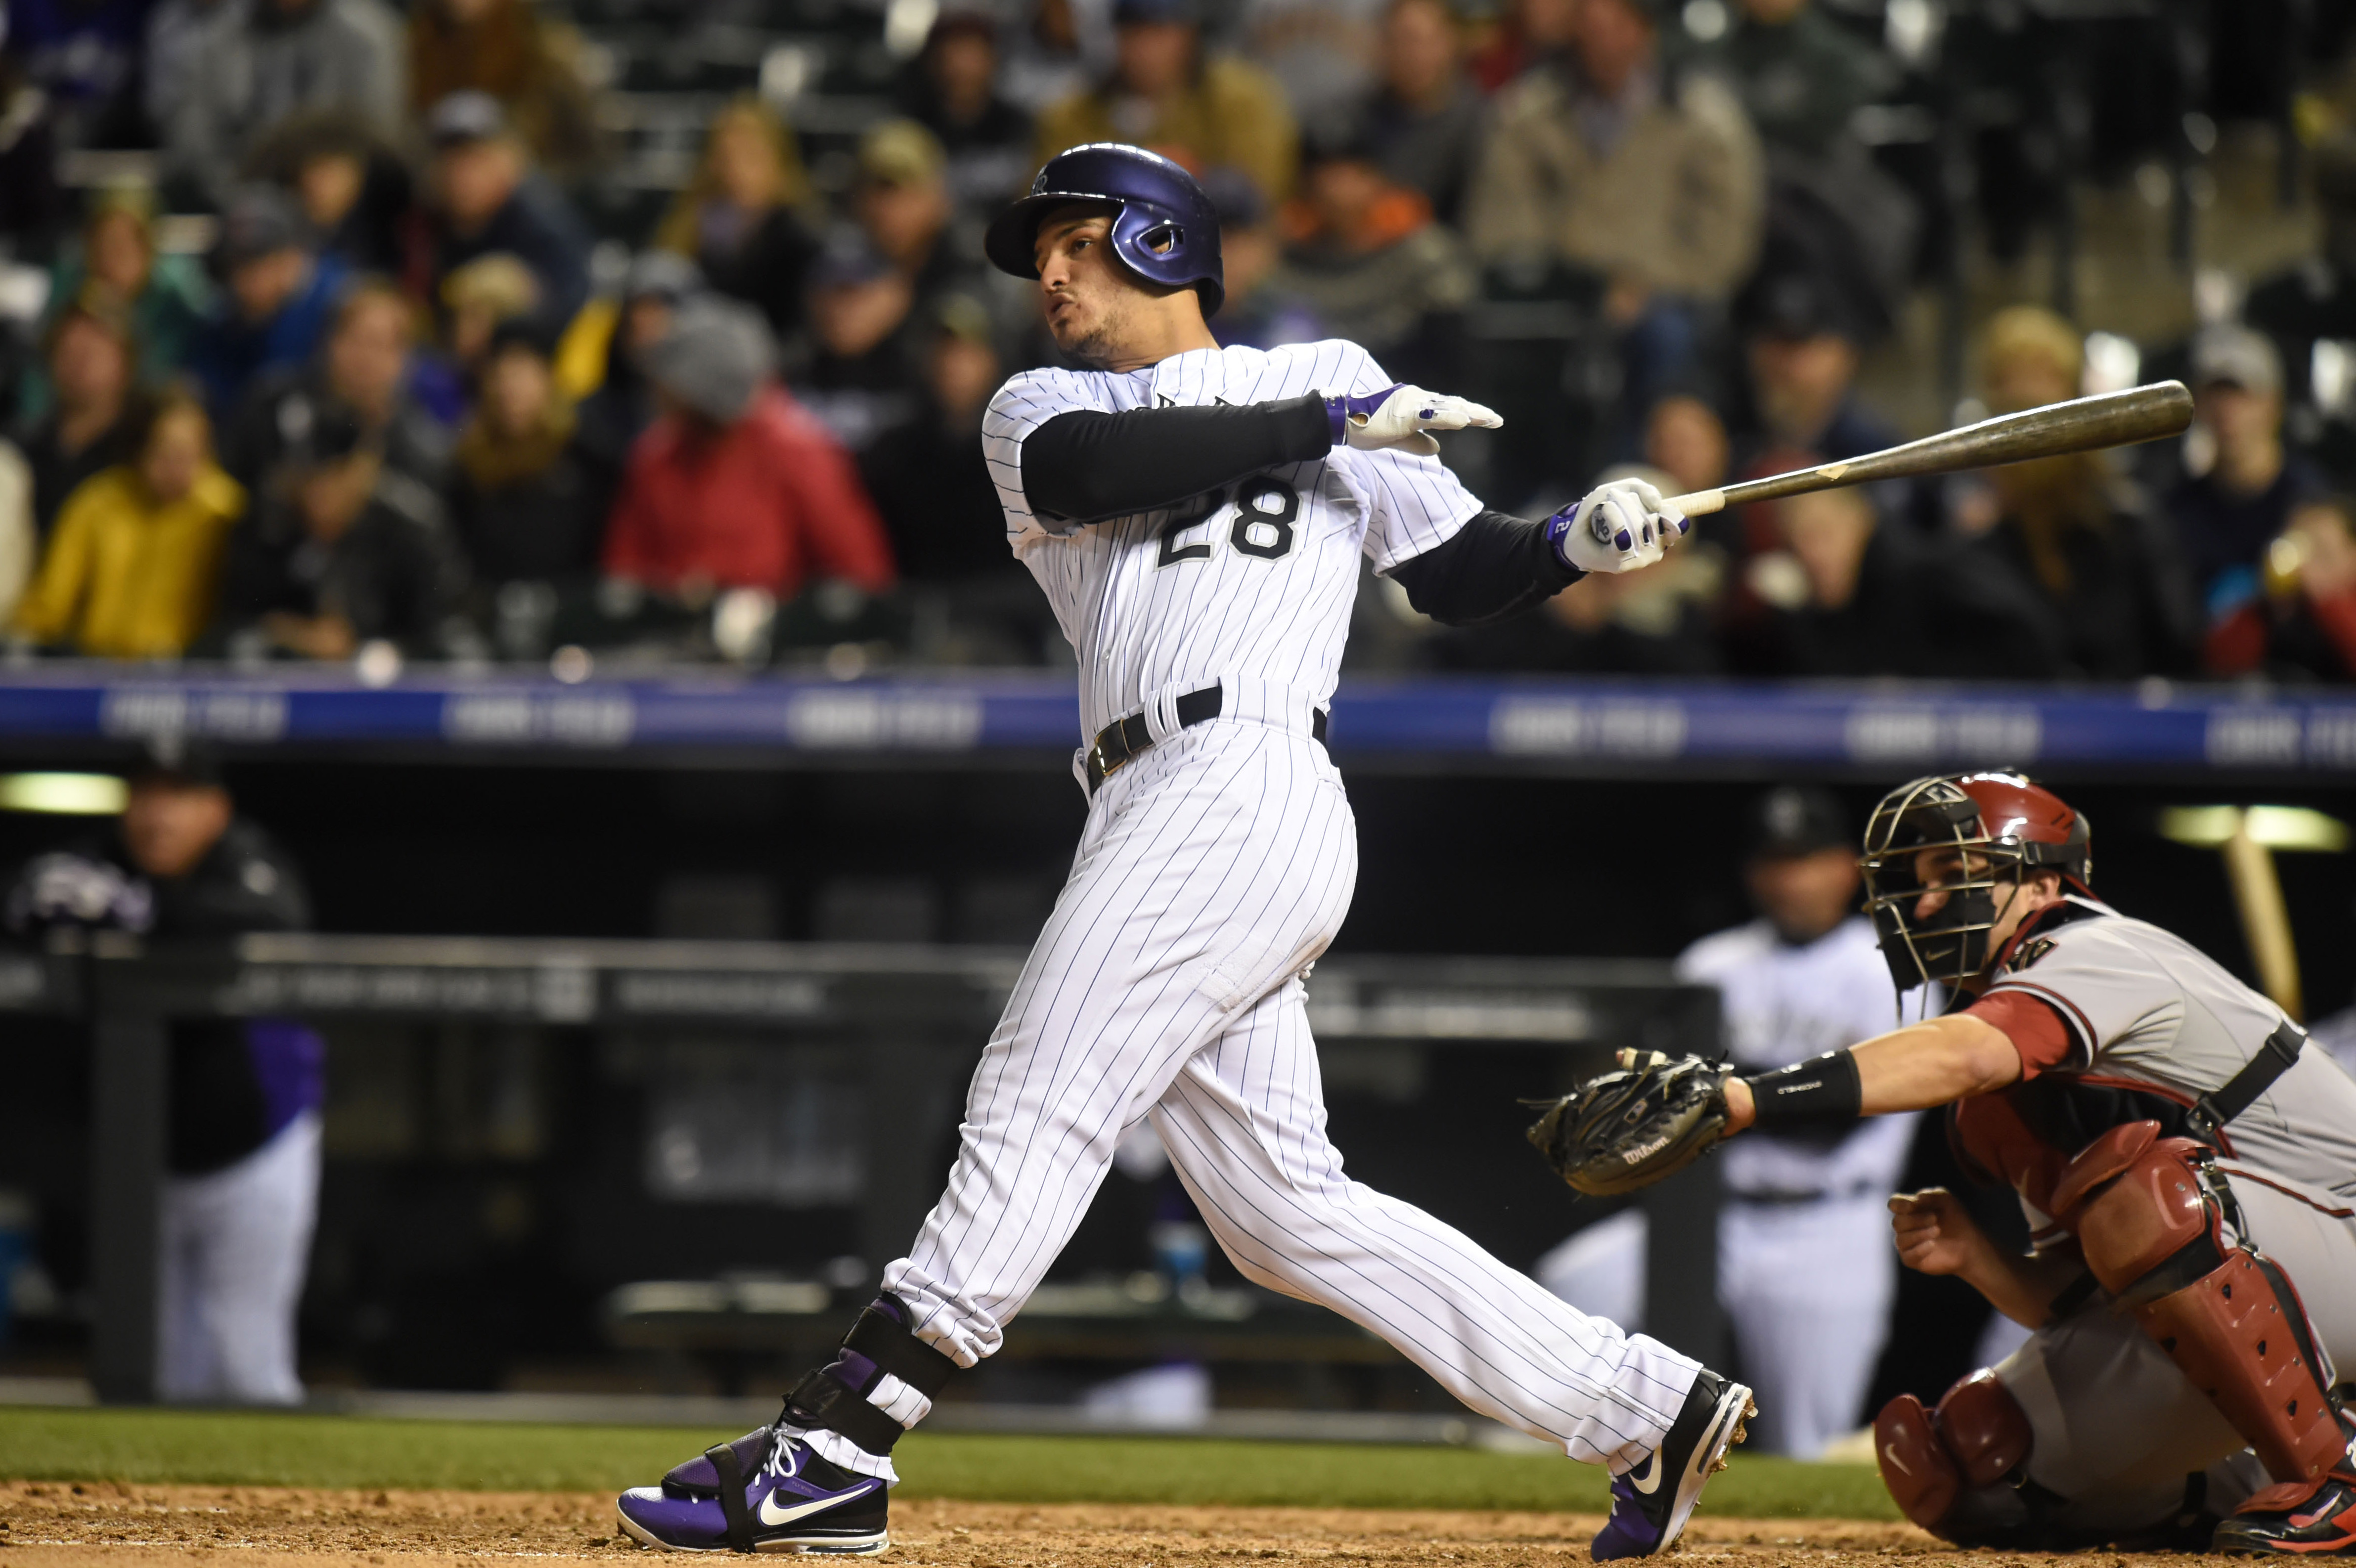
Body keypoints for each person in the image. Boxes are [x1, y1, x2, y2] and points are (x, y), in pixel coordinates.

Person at [611, 143, 1751, 1563]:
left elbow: (1461, 571)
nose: (1049, 272)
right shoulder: (1046, 406)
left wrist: (1575, 541)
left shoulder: (1335, 375)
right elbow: (1101, 466)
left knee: (1036, 1090)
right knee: (1282, 1216)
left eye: (1076, 243)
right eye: (1043, 252)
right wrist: (1334, 415)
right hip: (1154, 793)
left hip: (1243, 776)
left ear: (1159, 240)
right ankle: (1640, 1401)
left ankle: (840, 1437)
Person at [1675, 771, 2356, 1551]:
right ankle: (2235, 1494)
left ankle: (2340, 1473)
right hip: (2278, 1271)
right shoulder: (2004, 1093)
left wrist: (1751, 1098)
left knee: (2156, 1193)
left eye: (1954, 875)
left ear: (2037, 881)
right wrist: (1979, 1259)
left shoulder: (2098, 946)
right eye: (1918, 882)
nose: (1924, 902)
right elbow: (2082, 1303)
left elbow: (1965, 1053)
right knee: (1968, 1463)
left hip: (2341, 1227)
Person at [1538, 788, 1915, 1458]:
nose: (1787, 878)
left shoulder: (1886, 968)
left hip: (1825, 1225)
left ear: (1844, 869)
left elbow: (1846, 1114)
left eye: (1803, 859)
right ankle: (1548, 1445)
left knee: (1806, 1444)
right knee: (1573, 1283)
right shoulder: (1714, 963)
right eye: (1774, 860)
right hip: (1709, 1213)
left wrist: (1723, 1094)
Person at [4, 743, 321, 1404]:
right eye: (146, 796)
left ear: (214, 809)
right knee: (155, 1369)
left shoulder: (246, 859)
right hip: (139, 1156)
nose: (158, 816)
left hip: (256, 1145)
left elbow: (276, 917)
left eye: (176, 797)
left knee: (245, 1365)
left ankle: (282, 1509)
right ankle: (155, 1509)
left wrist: (145, 912)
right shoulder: (101, 859)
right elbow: (29, 893)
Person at [1464, 0, 1763, 311]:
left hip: (1668, 299)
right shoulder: (1527, 117)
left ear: (1646, 30)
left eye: (1617, 27)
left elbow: (1725, 246)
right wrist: (1559, 283)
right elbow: (1503, 225)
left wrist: (1649, 285)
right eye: (1591, 29)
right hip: (1555, 297)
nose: (1603, 43)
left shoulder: (1702, 123)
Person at [1950, 308, 2197, 680]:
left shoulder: (2126, 527)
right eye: (2011, 400)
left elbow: (2179, 648)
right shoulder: (1977, 541)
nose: (2026, 399)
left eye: (2042, 396)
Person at [600, 298, 896, 605]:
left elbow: (860, 574)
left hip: (778, 636)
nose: (660, 391)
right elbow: (624, 572)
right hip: (665, 634)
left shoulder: (798, 451)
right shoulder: (655, 456)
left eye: (674, 380)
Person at [859, 296, 1054, 662]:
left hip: (1010, 632)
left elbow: (1050, 575)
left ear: (995, 359)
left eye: (968, 354)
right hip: (908, 627)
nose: (952, 367)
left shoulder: (1032, 449)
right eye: (942, 353)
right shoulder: (894, 451)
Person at [212, 407, 472, 660]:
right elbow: (232, 623)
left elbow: (444, 633)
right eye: (309, 477)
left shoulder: (413, 528)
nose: (318, 492)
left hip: (393, 684)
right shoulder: (273, 526)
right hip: (293, 680)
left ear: (364, 466)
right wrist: (294, 635)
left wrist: (364, 650)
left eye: (334, 474)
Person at [11, 394, 245, 658]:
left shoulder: (226, 513)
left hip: (193, 671)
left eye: (188, 456)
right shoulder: (98, 502)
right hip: (95, 665)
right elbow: (49, 604)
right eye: (163, 454)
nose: (175, 469)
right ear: (137, 451)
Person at [1267, 127, 1476, 390]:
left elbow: (1455, 356)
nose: (1338, 190)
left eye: (1353, 174)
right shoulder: (1280, 257)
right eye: (1325, 176)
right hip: (1311, 410)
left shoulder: (1425, 253)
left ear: (1378, 179)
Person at [1032, 0, 1299, 204]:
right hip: (1107, 239)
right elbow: (1045, 194)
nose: (1145, 50)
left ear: (1189, 36)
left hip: (1217, 236)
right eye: (1133, 34)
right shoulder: (1075, 111)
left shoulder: (1240, 97)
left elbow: (1262, 189)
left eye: (1160, 33)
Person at [449, 313, 613, 630]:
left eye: (523, 374)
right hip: (486, 628)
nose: (510, 389)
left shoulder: (589, 460)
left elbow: (604, 562)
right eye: (501, 375)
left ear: (549, 378)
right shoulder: (466, 465)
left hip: (572, 626)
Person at [219, 279, 449, 494]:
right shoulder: (270, 402)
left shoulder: (423, 449)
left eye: (380, 345)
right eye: (355, 339)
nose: (364, 358)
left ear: (405, 360)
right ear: (330, 341)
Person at [169, 0, 404, 205]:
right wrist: (238, 197)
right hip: (240, 201)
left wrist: (333, 181)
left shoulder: (366, 33)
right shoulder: (218, 39)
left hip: (346, 207)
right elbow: (193, 140)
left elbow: (379, 135)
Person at [2166, 325, 2320, 620]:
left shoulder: (2312, 506)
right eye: (2215, 396)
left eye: (2241, 395)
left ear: (2273, 405)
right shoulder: (2178, 512)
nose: (2227, 412)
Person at [651, 98, 818, 344]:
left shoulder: (799, 239)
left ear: (779, 161)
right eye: (726, 157)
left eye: (750, 156)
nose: (736, 170)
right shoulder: (688, 226)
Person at [421, 91, 591, 333]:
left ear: (508, 160)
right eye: (451, 162)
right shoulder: (428, 221)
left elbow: (574, 305)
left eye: (476, 160)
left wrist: (528, 293)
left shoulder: (542, 219)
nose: (461, 176)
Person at [31, 189, 210, 409]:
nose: (111, 260)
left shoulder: (176, 304)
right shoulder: (70, 300)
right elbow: (37, 385)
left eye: (123, 249)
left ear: (148, 250)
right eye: (102, 247)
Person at [188, 187, 349, 417]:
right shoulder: (223, 321)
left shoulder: (338, 303)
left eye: (257, 264)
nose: (245, 280)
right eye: (236, 266)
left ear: (292, 258)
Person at [407, 0, 599, 177]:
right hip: (441, 192)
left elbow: (584, 157)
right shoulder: (416, 47)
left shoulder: (548, 53)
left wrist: (513, 164)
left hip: (532, 189)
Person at [19, 291, 149, 540]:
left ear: (126, 362)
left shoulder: (143, 450)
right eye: (69, 352)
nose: (79, 365)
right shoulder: (24, 448)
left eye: (93, 353)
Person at [791, 235, 922, 456]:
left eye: (854, 293)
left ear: (897, 296)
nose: (840, 308)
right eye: (827, 291)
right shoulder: (783, 381)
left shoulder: (926, 379)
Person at [242, 111, 414, 277]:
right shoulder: (276, 234)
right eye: (314, 172)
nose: (320, 186)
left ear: (359, 176)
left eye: (331, 173)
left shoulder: (390, 230)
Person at [2204, 495, 2356, 683]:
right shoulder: (2270, 607)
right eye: (2299, 552)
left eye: (2324, 554)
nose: (2306, 567)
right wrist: (2273, 608)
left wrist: (2325, 602)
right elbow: (2217, 663)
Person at [896, 12, 1034, 219]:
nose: (961, 68)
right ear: (932, 63)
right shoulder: (913, 129)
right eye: (952, 54)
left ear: (993, 59)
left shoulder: (1019, 124)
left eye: (971, 54)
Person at [1360, 0, 1484, 227]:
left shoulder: (1482, 124)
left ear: (1451, 43)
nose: (1413, 55)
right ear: (1382, 46)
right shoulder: (1352, 123)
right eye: (1401, 41)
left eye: (1424, 42)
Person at [578, 251, 703, 473]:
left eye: (657, 309)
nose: (642, 321)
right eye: (636, 309)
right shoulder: (596, 415)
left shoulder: (705, 411)